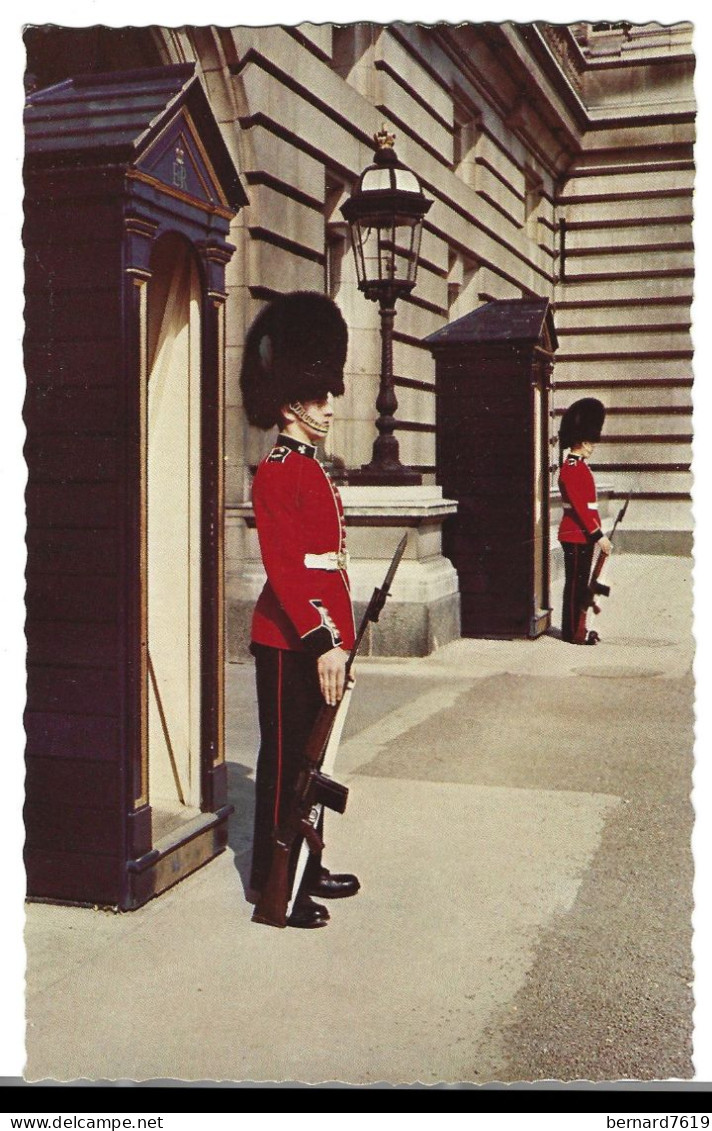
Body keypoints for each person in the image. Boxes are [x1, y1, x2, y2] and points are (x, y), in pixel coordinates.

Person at [240, 291, 360, 929]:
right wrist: (323, 643)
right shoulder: (277, 472)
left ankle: (308, 868)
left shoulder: (313, 468)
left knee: (317, 764)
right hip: (291, 643)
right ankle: (272, 885)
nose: (329, 406)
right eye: (319, 398)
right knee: (287, 764)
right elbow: (286, 571)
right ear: (290, 403)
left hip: (323, 638)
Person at [557, 397, 613, 644]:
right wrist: (598, 536)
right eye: (590, 442)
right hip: (576, 534)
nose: (592, 447)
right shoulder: (571, 467)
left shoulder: (579, 466)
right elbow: (580, 507)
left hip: (581, 534)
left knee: (581, 584)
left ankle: (578, 628)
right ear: (581, 442)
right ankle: (572, 632)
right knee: (576, 585)